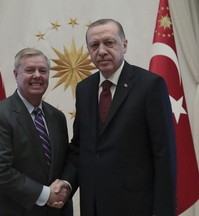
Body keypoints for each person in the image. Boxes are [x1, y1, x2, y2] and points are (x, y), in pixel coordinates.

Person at [59, 18, 177, 216]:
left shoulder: (150, 85)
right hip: (93, 205)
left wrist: (164, 210)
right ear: (89, 51)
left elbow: (164, 154)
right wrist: (66, 182)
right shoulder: (84, 89)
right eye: (94, 45)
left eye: (109, 42)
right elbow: (80, 146)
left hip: (136, 206)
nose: (102, 50)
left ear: (124, 45)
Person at [0, 48, 72, 216]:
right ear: (16, 75)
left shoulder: (57, 117)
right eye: (30, 70)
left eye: (43, 71)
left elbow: (61, 166)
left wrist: (63, 187)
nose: (37, 75)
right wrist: (45, 194)